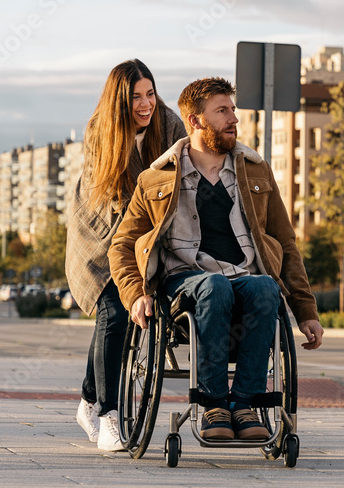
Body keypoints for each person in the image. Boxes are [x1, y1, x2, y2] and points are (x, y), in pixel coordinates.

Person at [108, 77, 323, 441]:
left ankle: (243, 405)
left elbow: (285, 243)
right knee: (215, 286)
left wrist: (306, 312)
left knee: (265, 288)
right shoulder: (155, 179)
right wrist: (134, 295)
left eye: (233, 110)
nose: (233, 119)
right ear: (195, 121)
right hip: (185, 281)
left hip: (243, 276)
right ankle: (212, 405)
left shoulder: (255, 171)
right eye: (222, 111)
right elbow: (122, 245)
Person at [65, 59, 186, 451]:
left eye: (150, 94)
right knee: (114, 310)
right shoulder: (102, 131)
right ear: (121, 100)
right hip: (99, 232)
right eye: (136, 97)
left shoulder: (169, 125)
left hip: (146, 231)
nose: (146, 104)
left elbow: (184, 178)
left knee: (113, 319)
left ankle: (87, 400)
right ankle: (107, 415)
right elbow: (112, 197)